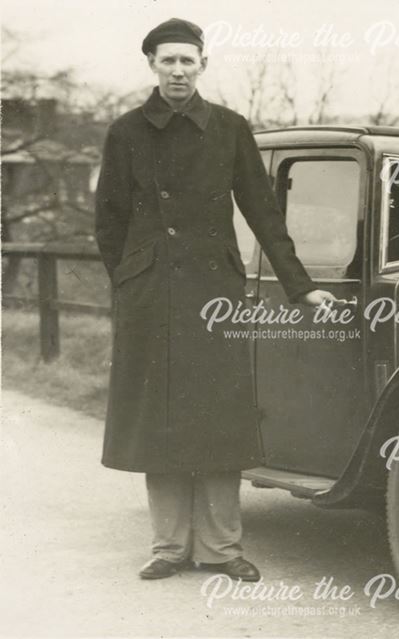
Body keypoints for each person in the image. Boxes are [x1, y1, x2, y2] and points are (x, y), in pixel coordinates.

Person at [94, 17, 338, 582]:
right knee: (159, 419)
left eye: (187, 60)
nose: (178, 70)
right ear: (151, 65)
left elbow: (263, 212)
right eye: (167, 60)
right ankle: (168, 547)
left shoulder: (230, 128)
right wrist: (130, 282)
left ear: (203, 64)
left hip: (214, 297)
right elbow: (108, 221)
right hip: (150, 298)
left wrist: (300, 284)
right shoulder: (126, 131)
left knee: (218, 418)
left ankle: (222, 549)